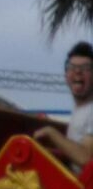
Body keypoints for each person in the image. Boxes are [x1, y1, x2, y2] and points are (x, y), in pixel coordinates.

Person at [35, 42, 93, 172]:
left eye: (85, 68)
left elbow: (86, 159)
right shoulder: (81, 110)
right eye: (72, 67)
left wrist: (51, 133)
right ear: (66, 76)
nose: (78, 71)